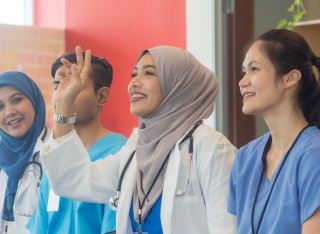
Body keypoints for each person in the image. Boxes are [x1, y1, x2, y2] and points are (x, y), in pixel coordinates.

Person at [40, 45, 237, 234]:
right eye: (134, 74)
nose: (133, 83)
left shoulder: (211, 148)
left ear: (178, 83)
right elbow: (73, 180)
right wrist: (64, 105)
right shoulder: (135, 150)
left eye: (148, 73)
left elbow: (227, 228)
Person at [228, 29, 320, 234]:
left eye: (254, 69)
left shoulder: (314, 155)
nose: (243, 81)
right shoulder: (245, 158)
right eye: (244, 71)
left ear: (290, 78)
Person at [27, 52, 127, 234]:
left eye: (74, 86)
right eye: (58, 86)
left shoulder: (121, 152)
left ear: (101, 96)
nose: (62, 95)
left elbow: (116, 227)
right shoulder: (53, 155)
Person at [0, 71, 49, 234]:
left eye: (17, 100)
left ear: (34, 100)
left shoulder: (55, 152)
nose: (9, 112)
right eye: (0, 106)